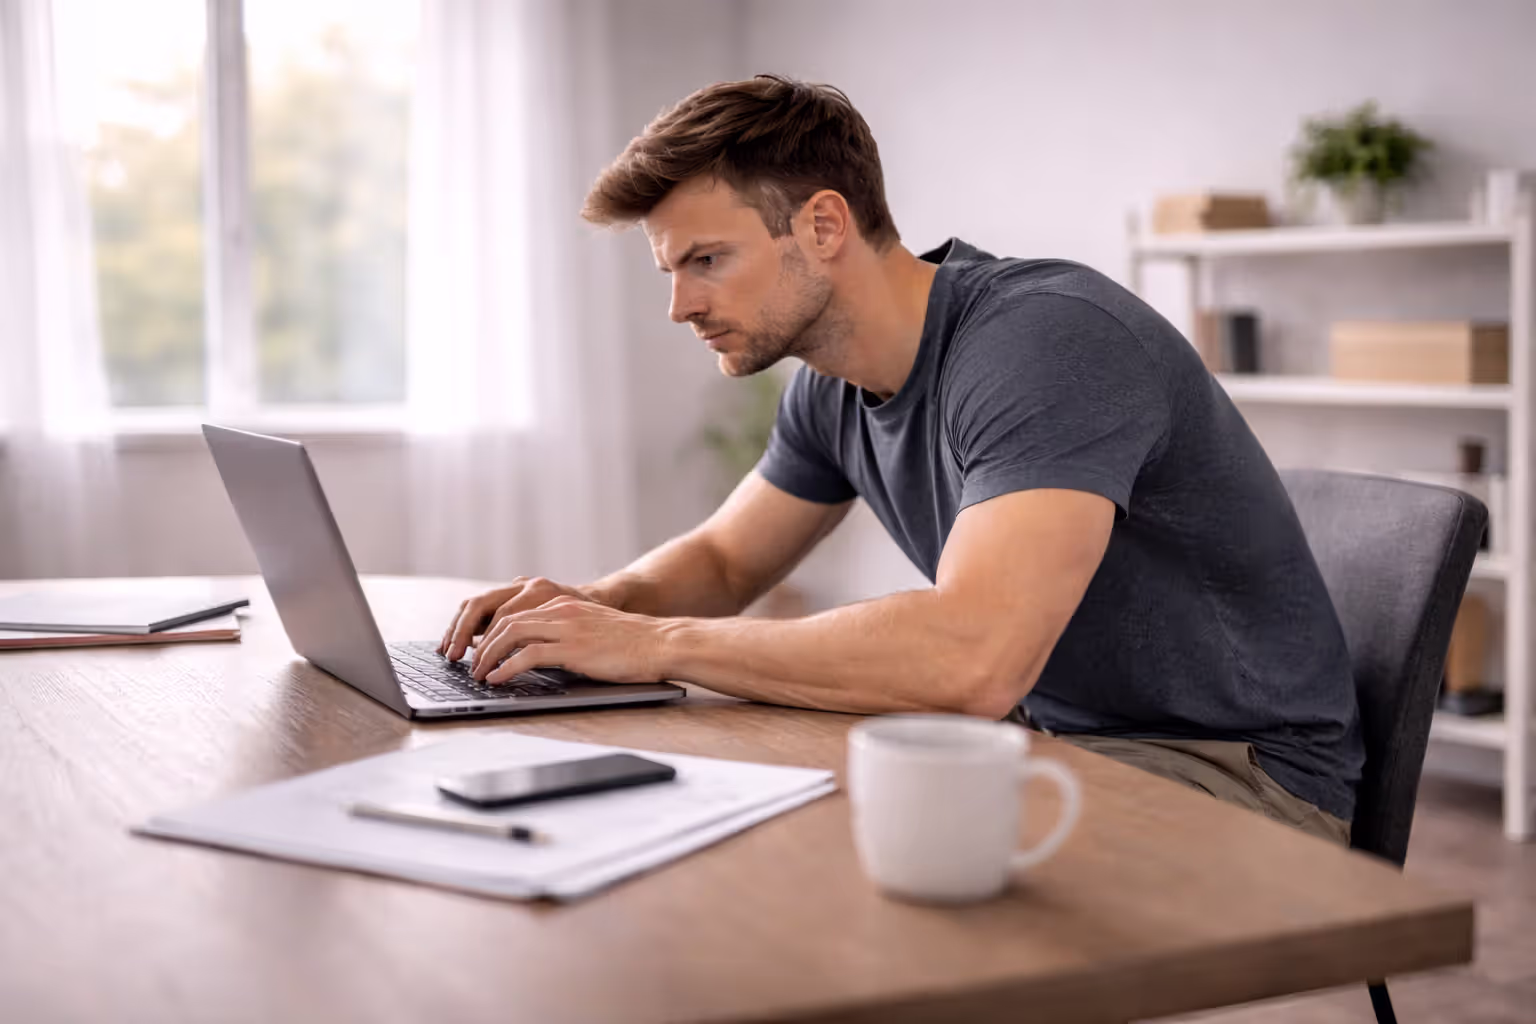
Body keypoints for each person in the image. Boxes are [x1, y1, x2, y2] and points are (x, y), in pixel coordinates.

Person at [438, 74, 1361, 844]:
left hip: (1244, 779)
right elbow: (724, 561)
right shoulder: (828, 386)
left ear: (823, 226)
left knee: (811, 856)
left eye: (707, 260)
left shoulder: (1045, 342)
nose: (680, 305)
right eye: (670, 270)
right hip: (1059, 739)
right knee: (739, 815)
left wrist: (651, 646)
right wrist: (582, 612)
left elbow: (972, 656)